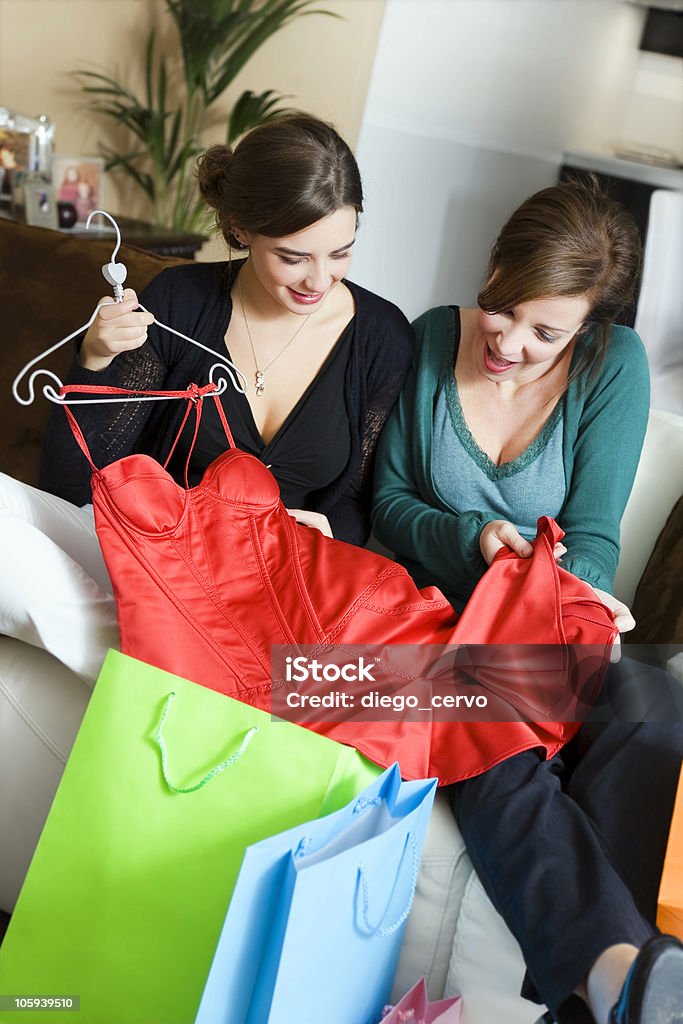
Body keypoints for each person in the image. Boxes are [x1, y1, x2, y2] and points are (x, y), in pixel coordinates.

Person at [371, 179, 683, 1024]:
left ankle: (614, 991)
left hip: (543, 621)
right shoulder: (433, 337)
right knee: (494, 750)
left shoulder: (609, 368)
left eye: (546, 332)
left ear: (586, 330)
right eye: (501, 308)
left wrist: (557, 594)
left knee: (652, 710)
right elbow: (391, 501)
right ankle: (614, 984)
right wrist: (475, 538)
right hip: (434, 624)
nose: (508, 341)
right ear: (493, 267)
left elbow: (593, 536)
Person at [1, 112, 414, 684]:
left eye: (340, 252)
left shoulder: (382, 338)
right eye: (294, 257)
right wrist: (93, 362)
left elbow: (356, 505)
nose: (319, 281)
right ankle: (180, 666)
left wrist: (327, 535)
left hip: (277, 594)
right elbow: (74, 484)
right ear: (241, 229)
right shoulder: (179, 301)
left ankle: (171, 668)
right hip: (153, 562)